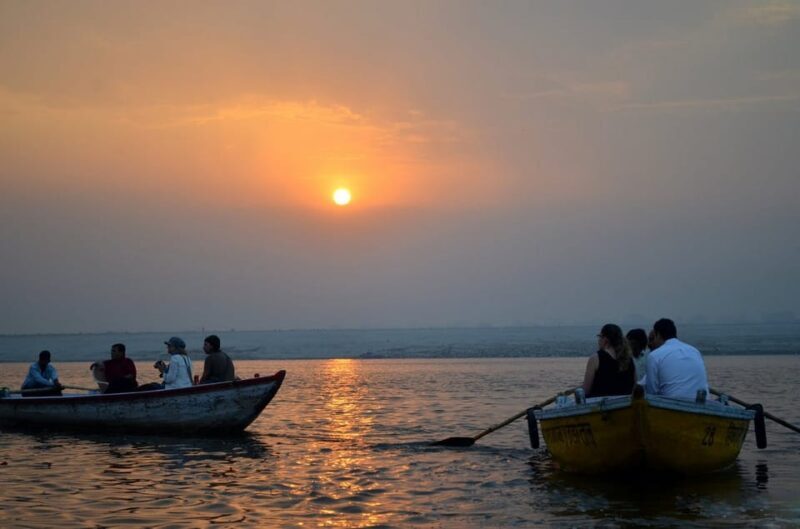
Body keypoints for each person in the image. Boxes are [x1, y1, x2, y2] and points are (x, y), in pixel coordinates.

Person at [645, 318, 709, 399]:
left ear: (658, 335)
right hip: (703, 404)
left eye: (653, 338)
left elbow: (652, 392)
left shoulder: (654, 356)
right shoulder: (694, 351)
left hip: (672, 406)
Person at [582, 324, 636, 398]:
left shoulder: (595, 359)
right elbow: (634, 387)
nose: (598, 340)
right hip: (624, 405)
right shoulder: (629, 360)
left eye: (600, 337)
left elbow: (586, 391)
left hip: (600, 407)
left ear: (605, 340)